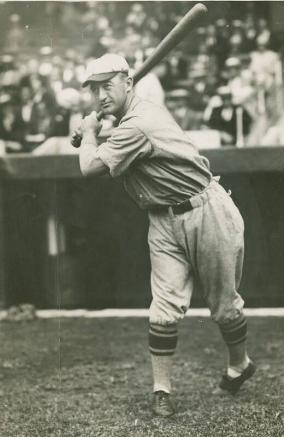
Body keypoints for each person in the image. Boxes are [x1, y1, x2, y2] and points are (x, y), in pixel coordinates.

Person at [75, 54, 255, 417]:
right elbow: (115, 139)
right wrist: (95, 132)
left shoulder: (140, 123)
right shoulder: (129, 120)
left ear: (128, 81)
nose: (100, 95)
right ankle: (162, 390)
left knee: (223, 306)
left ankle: (240, 363)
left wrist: (90, 134)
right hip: (162, 218)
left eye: (107, 85)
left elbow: (90, 167)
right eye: (94, 88)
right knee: (164, 308)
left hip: (207, 211)